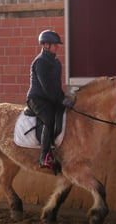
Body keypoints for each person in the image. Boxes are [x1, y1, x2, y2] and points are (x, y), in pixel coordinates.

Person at [26, 30, 75, 172]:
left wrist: (64, 99)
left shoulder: (56, 63)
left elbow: (56, 86)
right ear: (45, 45)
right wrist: (60, 100)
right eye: (54, 45)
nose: (57, 47)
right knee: (49, 119)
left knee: (64, 114)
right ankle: (44, 156)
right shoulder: (40, 62)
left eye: (57, 45)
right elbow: (46, 87)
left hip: (50, 98)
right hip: (37, 99)